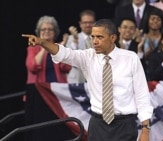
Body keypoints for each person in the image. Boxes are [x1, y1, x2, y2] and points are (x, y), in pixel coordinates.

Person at [22, 19, 153, 141]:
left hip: (125, 125)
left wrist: (145, 129)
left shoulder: (131, 58)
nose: (95, 41)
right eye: (93, 37)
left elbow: (142, 94)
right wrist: (42, 42)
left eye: (100, 37)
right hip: (98, 124)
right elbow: (64, 53)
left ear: (113, 38)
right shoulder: (88, 56)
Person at [25, 15, 71, 84]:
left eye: (50, 29)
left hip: (59, 90)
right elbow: (33, 67)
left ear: (55, 32)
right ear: (39, 32)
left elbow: (67, 67)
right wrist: (44, 45)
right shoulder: (32, 48)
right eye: (43, 29)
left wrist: (61, 48)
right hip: (39, 90)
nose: (47, 31)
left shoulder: (60, 47)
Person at [65, 9, 96, 83]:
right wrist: (75, 41)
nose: (88, 25)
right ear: (80, 23)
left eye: (90, 22)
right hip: (77, 80)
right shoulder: (71, 38)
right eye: (85, 22)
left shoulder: (101, 39)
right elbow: (69, 59)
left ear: (95, 23)